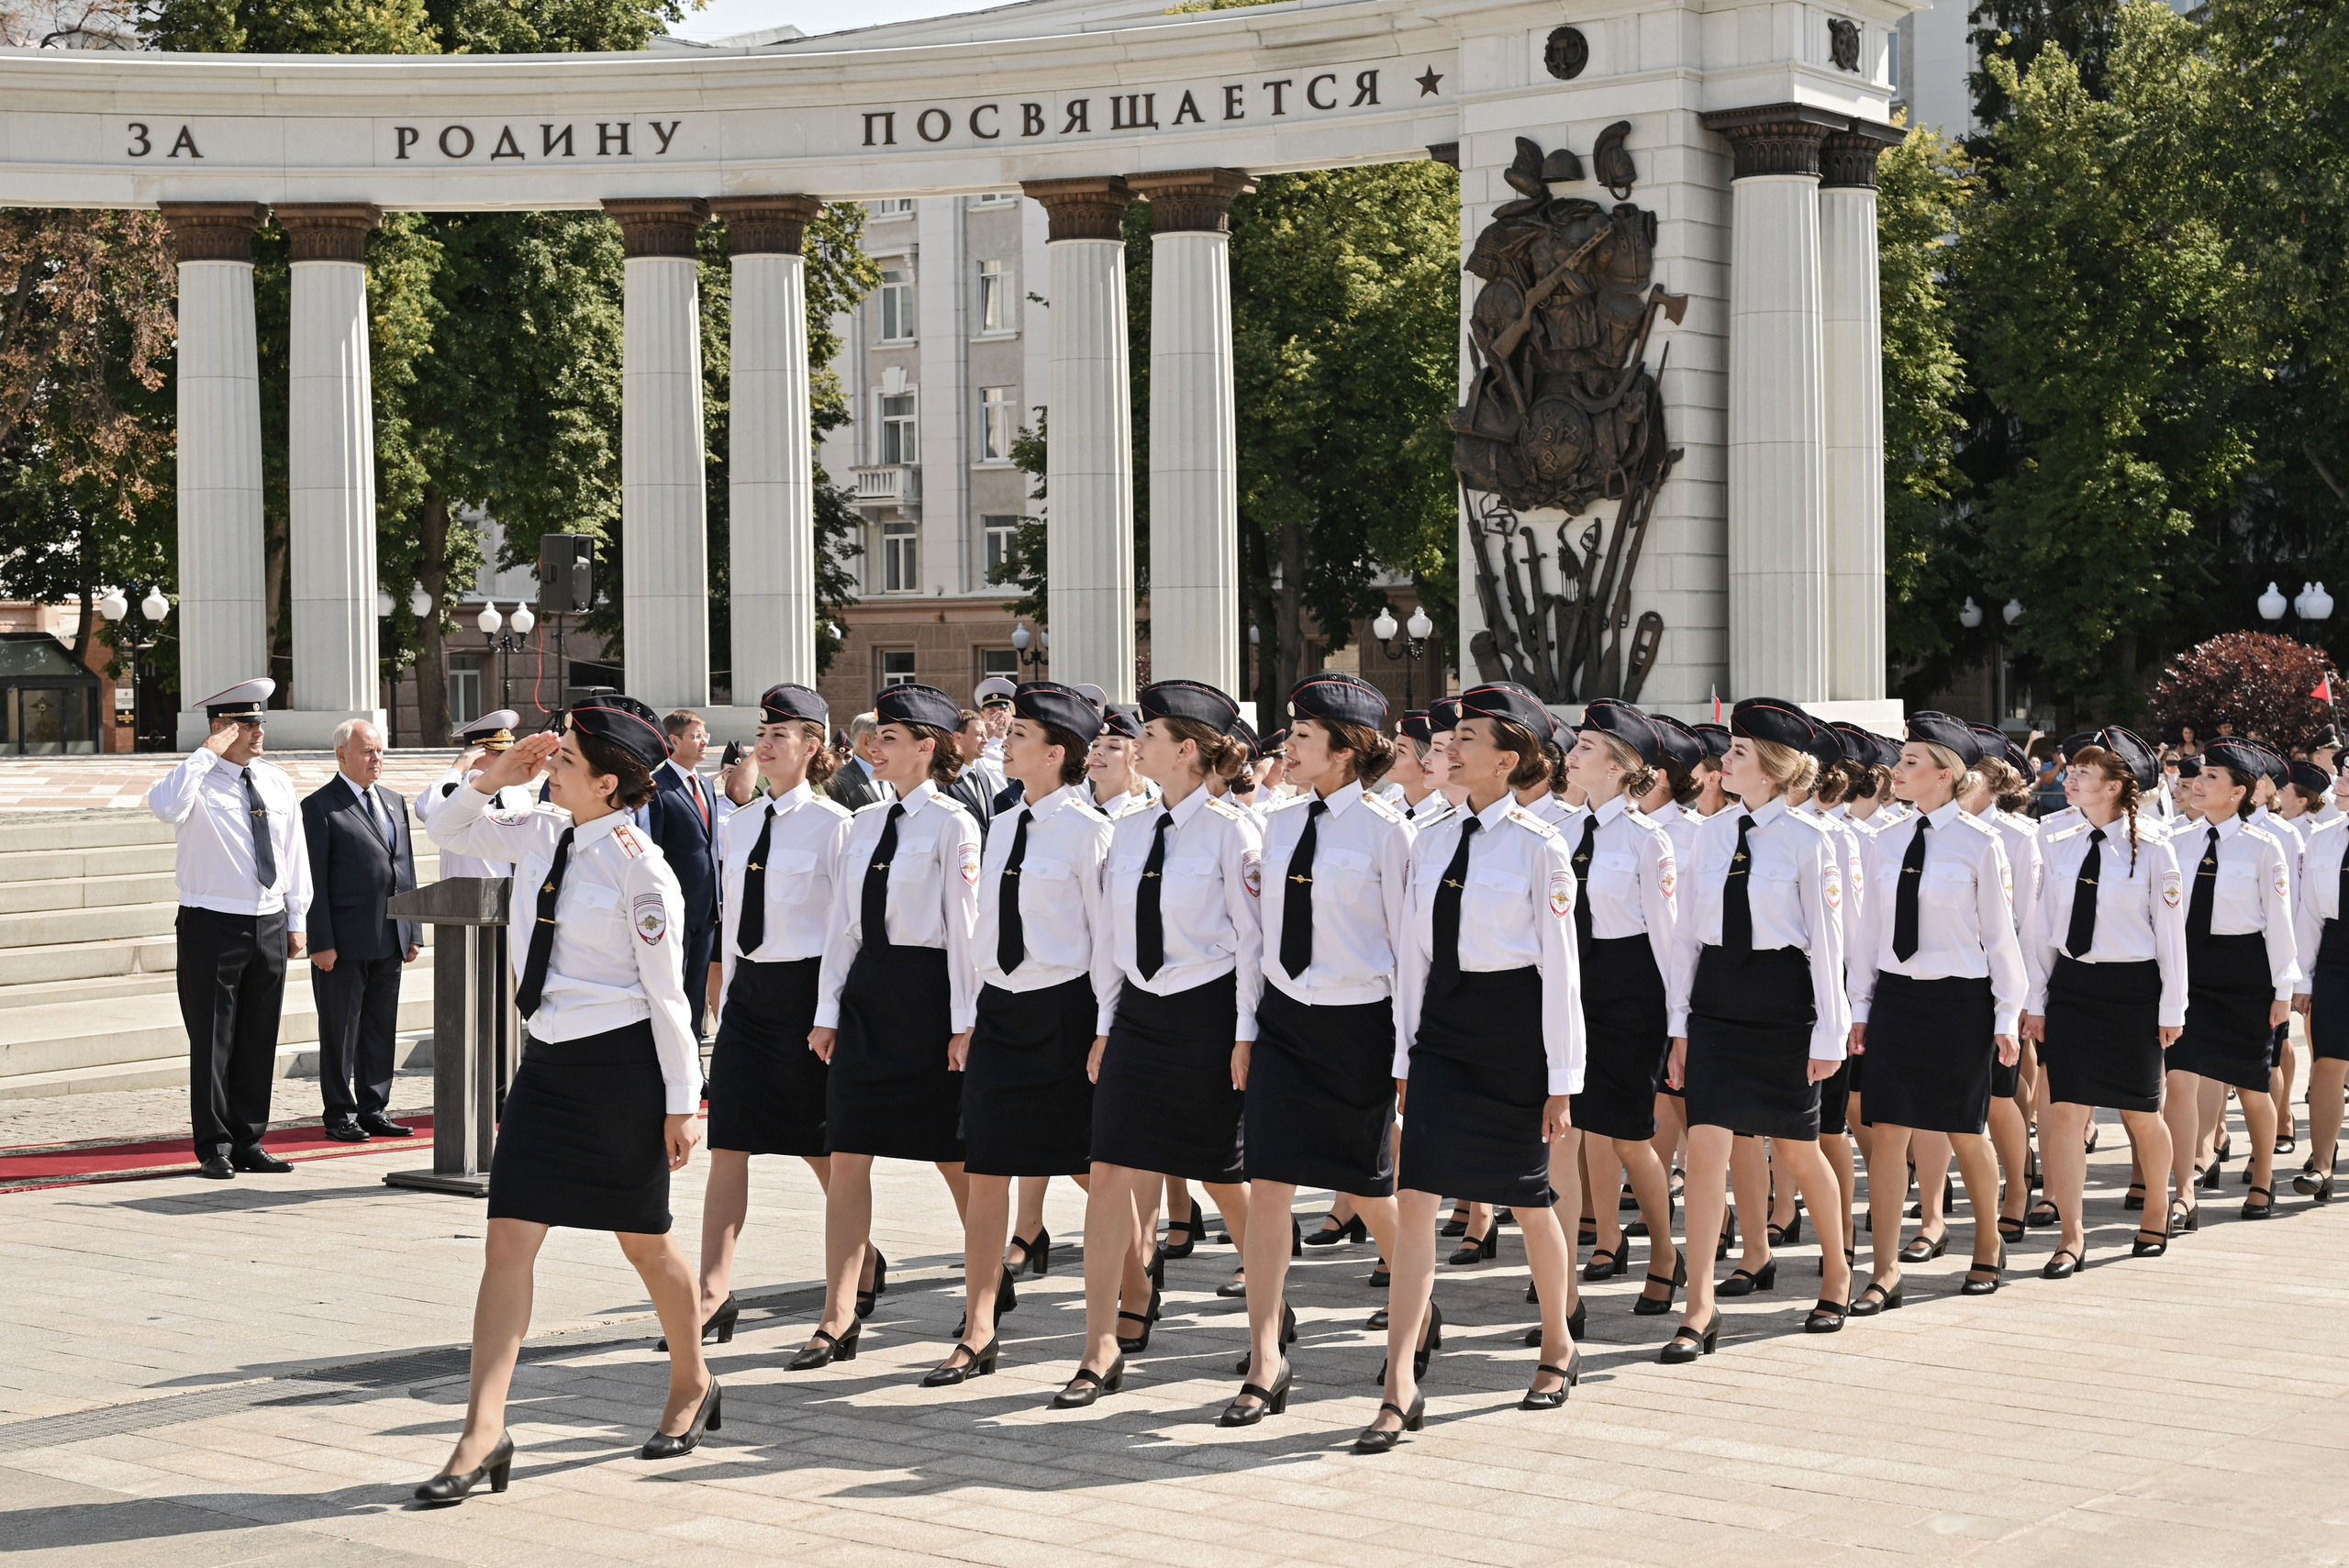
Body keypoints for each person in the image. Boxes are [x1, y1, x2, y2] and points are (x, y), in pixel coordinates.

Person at [413, 696, 717, 1503]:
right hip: (546, 1067)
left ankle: (692, 1380)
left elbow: (670, 996)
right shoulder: (539, 829)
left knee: (645, 1243)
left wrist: (683, 1101)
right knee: (507, 1240)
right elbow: (447, 828)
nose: (551, 766)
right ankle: (483, 1429)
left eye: (568, 761)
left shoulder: (641, 868)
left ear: (610, 783)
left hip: (622, 1073)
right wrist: (494, 775)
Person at [1353, 682, 1583, 1454]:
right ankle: (1399, 1382)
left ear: (1507, 760)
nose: (1449, 749)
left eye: (1468, 740)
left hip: (1512, 1037)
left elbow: (1561, 972)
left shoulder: (1540, 845)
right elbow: (1413, 958)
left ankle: (1558, 1343)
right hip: (1443, 1035)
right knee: (1416, 1197)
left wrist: (1562, 1080)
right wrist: (1405, 1054)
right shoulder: (1431, 838)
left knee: (1528, 1200)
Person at [1053, 679, 1264, 1410]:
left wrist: (1245, 1034)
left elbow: (1251, 944)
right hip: (1139, 1017)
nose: (1134, 742)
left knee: (1224, 1178)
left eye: (1149, 734)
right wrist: (1105, 1025)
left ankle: (1269, 1310)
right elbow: (1112, 937)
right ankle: (1099, 1345)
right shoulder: (1132, 828)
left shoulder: (1233, 831)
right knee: (1108, 1167)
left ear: (1187, 750)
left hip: (1208, 1015)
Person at [1220, 674, 1413, 1424]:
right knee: (1268, 1184)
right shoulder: (1277, 822)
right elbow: (1256, 938)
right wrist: (1247, 1029)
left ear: (1346, 749)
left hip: (1357, 1025)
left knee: (1368, 1188)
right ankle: (1266, 1357)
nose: (1289, 747)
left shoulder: (1388, 831)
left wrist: (1404, 1056)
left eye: (1304, 736)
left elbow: (1408, 953)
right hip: (1283, 1025)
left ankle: (1416, 1299)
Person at [931, 682, 1117, 1386]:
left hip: (1066, 1012)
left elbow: (1106, 942)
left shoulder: (1092, 831)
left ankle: (1130, 1296)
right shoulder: (1004, 822)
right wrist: (972, 1015)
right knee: (986, 1170)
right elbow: (984, 926)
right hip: (1002, 1012)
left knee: (1092, 1171)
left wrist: (1104, 1028)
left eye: (1021, 736)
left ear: (1057, 753)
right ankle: (978, 1329)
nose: (1005, 742)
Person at [795, 683, 981, 1370]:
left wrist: (964, 1021)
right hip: (868, 998)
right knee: (848, 1151)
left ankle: (987, 1282)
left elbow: (964, 931)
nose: (873, 747)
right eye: (874, 736)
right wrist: (827, 1012)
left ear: (926, 747)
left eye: (890, 738)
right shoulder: (863, 823)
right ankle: (838, 1314)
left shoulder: (954, 824)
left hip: (927, 998)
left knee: (953, 1157)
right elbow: (843, 927)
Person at [1663, 699, 1854, 1362]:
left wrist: (1830, 1032)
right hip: (1718, 998)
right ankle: (1699, 1304)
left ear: (1770, 770)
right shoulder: (1709, 834)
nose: (1725, 760)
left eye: (1739, 752)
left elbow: (1828, 943)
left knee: (1798, 1149)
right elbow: (1687, 936)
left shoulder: (1810, 839)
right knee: (1705, 1149)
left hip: (1782, 1001)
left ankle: (1837, 1271)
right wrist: (1679, 1025)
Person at [683, 684, 855, 1351]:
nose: (765, 743)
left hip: (806, 995)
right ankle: (712, 1292)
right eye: (763, 732)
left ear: (812, 747)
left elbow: (843, 931)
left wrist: (829, 1011)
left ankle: (860, 1259)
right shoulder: (741, 822)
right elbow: (731, 918)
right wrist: (725, 992)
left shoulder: (835, 826)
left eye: (780, 734)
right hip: (750, 996)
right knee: (730, 1140)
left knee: (819, 1145)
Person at [1846, 716, 2026, 1308]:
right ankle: (1885, 1270)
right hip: (1897, 999)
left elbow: (2000, 938)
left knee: (1964, 1129)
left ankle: (1988, 1242)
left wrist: (2007, 1015)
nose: (1896, 771)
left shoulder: (1981, 843)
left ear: (1945, 774)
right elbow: (1870, 931)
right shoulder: (1884, 840)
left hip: (1959, 1002)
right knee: (1888, 1133)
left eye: (1910, 762)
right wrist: (1861, 1005)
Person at [2021, 728, 2183, 1273]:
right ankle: (2071, 1236)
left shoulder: (2154, 848)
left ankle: (2157, 1209)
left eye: (2084, 773)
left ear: (2114, 786)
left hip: (2133, 992)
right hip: (2073, 989)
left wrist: (2172, 1008)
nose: (2070, 778)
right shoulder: (2057, 842)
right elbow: (2043, 929)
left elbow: (2171, 938)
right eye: (2070, 771)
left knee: (2141, 1112)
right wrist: (2037, 999)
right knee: (2065, 1113)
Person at [147, 679, 311, 1181]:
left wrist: (297, 919)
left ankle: (249, 1140)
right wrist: (204, 754)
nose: (258, 732)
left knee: (259, 1036)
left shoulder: (276, 781)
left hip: (268, 920)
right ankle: (214, 1145)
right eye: (246, 724)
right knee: (213, 1039)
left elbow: (293, 853)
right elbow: (163, 807)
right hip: (212, 922)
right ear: (221, 728)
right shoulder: (194, 779)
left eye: (260, 722)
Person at [1559, 700, 1684, 1318]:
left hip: (1630, 995)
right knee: (1565, 1136)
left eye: (1586, 747)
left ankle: (1664, 1252)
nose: (1572, 754)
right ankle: (1562, 1288)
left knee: (1631, 1138)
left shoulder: (1646, 839)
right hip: (1572, 988)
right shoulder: (1560, 832)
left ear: (1617, 766)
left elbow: (1668, 940)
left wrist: (1679, 1026)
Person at [2164, 738, 2300, 1227]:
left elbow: (2279, 923)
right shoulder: (2177, 842)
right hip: (2189, 971)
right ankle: (2183, 1190)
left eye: (2211, 777)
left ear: (2239, 791)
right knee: (2180, 1080)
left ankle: (2263, 1176)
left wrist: (2283, 991)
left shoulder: (2264, 846)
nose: (2198, 784)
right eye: (2199, 775)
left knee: (2251, 1085)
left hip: (2245, 974)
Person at [301, 718, 423, 1143]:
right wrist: (320, 942)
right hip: (344, 941)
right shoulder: (320, 806)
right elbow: (312, 881)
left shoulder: (393, 801)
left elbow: (404, 868)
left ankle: (374, 1109)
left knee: (379, 1028)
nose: (377, 758)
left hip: (390, 935)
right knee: (341, 1032)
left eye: (380, 751)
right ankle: (339, 1114)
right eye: (368, 751)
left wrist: (412, 929)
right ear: (342, 755)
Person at [651, 710, 721, 1037]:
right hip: (674, 909)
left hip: (707, 909)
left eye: (705, 735)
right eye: (695, 736)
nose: (704, 742)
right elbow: (653, 849)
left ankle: (693, 1059)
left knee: (695, 992)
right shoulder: (657, 787)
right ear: (674, 740)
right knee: (672, 991)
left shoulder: (704, 783)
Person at [415, 711, 533, 879]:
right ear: (474, 755)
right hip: (464, 889)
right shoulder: (455, 789)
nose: (506, 760)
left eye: (508, 753)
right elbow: (426, 810)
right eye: (497, 753)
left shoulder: (518, 791)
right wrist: (456, 769)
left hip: (511, 889)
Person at [828, 712, 894, 811]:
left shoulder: (895, 774)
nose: (890, 746)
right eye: (885, 739)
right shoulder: (839, 782)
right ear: (865, 742)